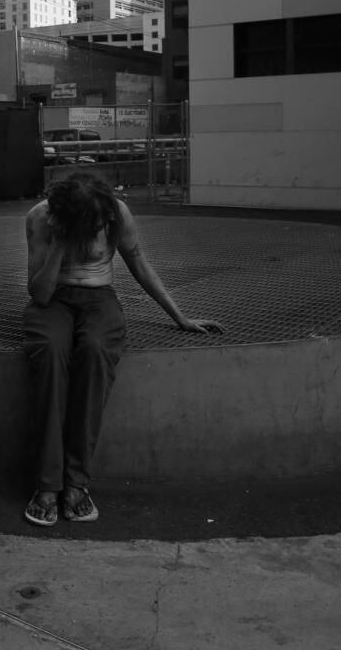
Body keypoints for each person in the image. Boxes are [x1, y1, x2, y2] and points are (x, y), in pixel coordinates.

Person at [22, 172, 223, 527]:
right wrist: (60, 244)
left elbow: (140, 265)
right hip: (53, 300)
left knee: (96, 352)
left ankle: (76, 484)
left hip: (100, 298)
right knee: (51, 355)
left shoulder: (116, 213)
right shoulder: (41, 218)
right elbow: (39, 293)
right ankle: (47, 484)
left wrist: (180, 317)